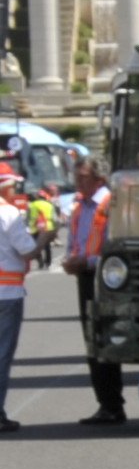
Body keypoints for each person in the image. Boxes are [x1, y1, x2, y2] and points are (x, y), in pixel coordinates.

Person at [61, 158, 123, 424]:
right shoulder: (79, 207)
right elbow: (76, 241)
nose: (78, 183)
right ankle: (107, 404)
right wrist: (71, 259)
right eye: (76, 177)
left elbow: (117, 249)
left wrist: (86, 261)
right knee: (92, 341)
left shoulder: (111, 204)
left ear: (100, 179)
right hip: (85, 277)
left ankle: (112, 404)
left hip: (107, 279)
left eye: (84, 177)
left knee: (106, 339)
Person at [0, 176, 37, 434]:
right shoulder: (9, 213)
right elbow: (27, 250)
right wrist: (46, 237)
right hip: (7, 293)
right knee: (1, 356)